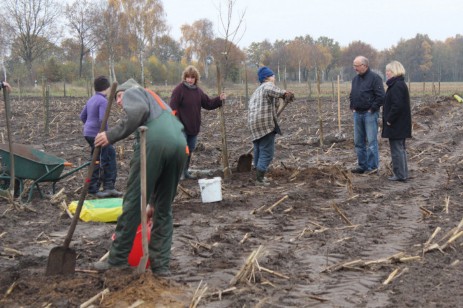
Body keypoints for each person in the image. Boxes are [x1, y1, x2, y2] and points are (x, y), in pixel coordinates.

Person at [93, 78, 188, 277]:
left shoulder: (135, 91)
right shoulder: (158, 103)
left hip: (154, 140)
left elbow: (137, 112)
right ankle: (161, 267)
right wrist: (152, 201)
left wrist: (111, 135)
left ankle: (117, 259)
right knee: (163, 209)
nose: (119, 102)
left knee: (133, 202)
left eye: (119, 97)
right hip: (180, 144)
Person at [169, 65, 226, 180]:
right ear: (184, 77)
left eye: (192, 77)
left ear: (196, 79)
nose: (190, 80)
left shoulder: (198, 91)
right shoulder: (179, 90)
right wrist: (176, 123)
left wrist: (219, 99)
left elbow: (208, 103)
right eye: (188, 77)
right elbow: (173, 108)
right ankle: (179, 173)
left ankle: (185, 172)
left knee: (190, 150)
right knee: (182, 150)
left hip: (194, 127)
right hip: (181, 127)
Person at [248, 66, 293, 186]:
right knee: (267, 152)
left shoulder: (256, 91)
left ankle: (257, 174)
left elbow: (273, 103)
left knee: (258, 149)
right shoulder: (267, 85)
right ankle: (260, 179)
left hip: (254, 125)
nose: (274, 77)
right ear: (267, 77)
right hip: (265, 124)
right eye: (273, 75)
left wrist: (284, 99)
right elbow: (274, 91)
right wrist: (285, 93)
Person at [80, 76, 122, 198]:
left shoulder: (92, 99)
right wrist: (104, 135)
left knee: (109, 155)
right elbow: (102, 119)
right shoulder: (103, 101)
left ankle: (109, 187)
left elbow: (82, 116)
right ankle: (93, 189)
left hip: (88, 133)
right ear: (107, 88)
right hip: (98, 135)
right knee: (100, 160)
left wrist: (89, 127)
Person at [349, 56, 385, 174]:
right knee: (359, 142)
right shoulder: (355, 80)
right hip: (357, 114)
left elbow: (381, 96)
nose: (355, 68)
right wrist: (352, 107)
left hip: (369, 114)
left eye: (357, 66)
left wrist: (372, 109)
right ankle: (362, 165)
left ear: (364, 66)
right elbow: (352, 94)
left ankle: (372, 167)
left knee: (371, 141)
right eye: (354, 66)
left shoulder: (375, 78)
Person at [382, 61, 412, 182]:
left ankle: (400, 174)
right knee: (400, 148)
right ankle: (403, 174)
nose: (387, 73)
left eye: (388, 71)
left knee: (397, 149)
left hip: (396, 124)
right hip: (400, 124)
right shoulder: (398, 84)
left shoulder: (397, 85)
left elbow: (397, 105)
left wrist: (389, 120)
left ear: (395, 71)